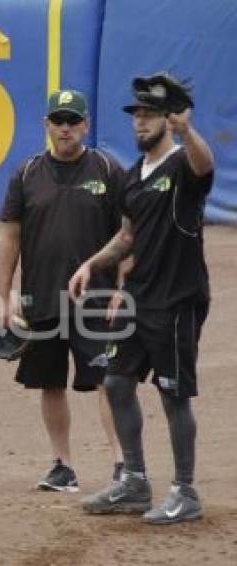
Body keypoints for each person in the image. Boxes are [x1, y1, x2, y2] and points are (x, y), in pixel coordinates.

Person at [70, 74, 215, 524]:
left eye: (149, 115)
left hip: (177, 300)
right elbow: (128, 235)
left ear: (166, 121)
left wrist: (186, 130)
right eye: (136, 116)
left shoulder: (181, 166)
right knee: (115, 382)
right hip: (138, 299)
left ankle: (184, 491)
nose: (140, 123)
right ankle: (133, 481)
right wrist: (92, 263)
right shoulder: (134, 176)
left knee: (173, 395)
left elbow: (206, 166)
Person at [0, 90, 126, 492]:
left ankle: (125, 465)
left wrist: (122, 289)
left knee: (108, 379)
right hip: (43, 298)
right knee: (50, 383)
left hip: (97, 300)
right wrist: (2, 298)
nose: (65, 128)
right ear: (47, 125)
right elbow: (10, 239)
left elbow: (127, 235)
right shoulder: (26, 173)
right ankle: (62, 465)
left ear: (85, 125)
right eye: (58, 120)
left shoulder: (107, 169)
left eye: (72, 120)